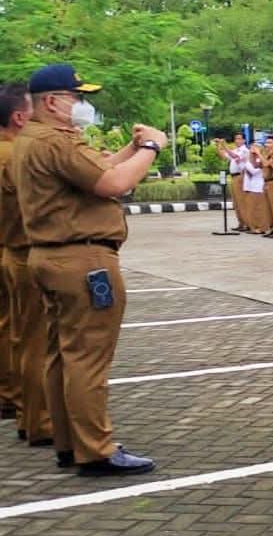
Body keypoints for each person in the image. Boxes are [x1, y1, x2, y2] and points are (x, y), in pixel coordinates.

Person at [14, 63, 165, 474]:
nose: (82, 105)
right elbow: (114, 184)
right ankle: (96, 449)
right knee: (87, 358)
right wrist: (152, 148)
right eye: (76, 97)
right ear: (51, 102)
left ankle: (69, 442)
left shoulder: (36, 138)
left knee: (61, 355)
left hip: (51, 256)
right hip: (83, 260)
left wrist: (132, 149)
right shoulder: (55, 140)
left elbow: (99, 170)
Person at [0, 83, 53, 446]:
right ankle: (39, 419)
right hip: (23, 249)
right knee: (35, 340)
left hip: (11, 249)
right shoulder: (13, 154)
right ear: (20, 117)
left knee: (15, 333)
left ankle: (17, 403)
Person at [216, 133, 251, 232]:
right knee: (236, 203)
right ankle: (241, 223)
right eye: (236, 139)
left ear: (244, 140)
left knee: (241, 201)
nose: (237, 141)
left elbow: (235, 157)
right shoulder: (236, 150)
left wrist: (225, 146)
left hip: (240, 176)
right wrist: (218, 145)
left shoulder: (245, 150)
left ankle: (247, 223)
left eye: (239, 139)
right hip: (233, 177)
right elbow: (223, 156)